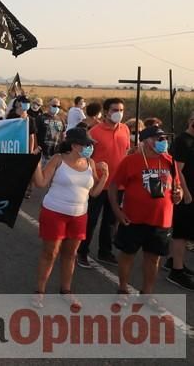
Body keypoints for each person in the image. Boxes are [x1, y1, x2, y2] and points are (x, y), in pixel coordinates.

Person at [31, 128, 109, 308]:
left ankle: (66, 290)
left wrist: (105, 176)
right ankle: (40, 291)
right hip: (54, 212)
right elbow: (41, 183)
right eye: (87, 144)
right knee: (50, 253)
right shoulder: (58, 159)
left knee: (71, 254)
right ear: (74, 145)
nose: (91, 148)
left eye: (91, 145)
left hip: (79, 215)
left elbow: (95, 193)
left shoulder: (90, 163)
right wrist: (35, 163)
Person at [110, 126, 183, 305]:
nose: (163, 142)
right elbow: (113, 186)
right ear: (147, 141)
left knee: (153, 258)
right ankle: (122, 289)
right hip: (133, 218)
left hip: (160, 220)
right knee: (127, 254)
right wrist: (117, 212)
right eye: (159, 139)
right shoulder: (131, 161)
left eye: (164, 138)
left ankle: (147, 293)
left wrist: (178, 195)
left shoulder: (169, 161)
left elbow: (177, 188)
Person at [77, 98, 130, 268]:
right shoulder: (95, 132)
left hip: (118, 184)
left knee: (110, 220)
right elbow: (86, 156)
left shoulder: (125, 129)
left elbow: (126, 152)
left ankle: (105, 251)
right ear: (106, 111)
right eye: (115, 110)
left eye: (121, 110)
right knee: (91, 219)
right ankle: (82, 251)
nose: (118, 113)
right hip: (97, 184)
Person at [164, 111, 194, 290]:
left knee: (187, 230)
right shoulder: (183, 141)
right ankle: (176, 271)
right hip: (185, 194)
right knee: (181, 233)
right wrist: (187, 192)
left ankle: (175, 261)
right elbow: (178, 170)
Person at [36, 97, 66, 165]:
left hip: (56, 154)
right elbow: (34, 134)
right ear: (49, 106)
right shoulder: (40, 118)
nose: (56, 108)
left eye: (58, 106)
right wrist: (36, 147)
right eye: (54, 106)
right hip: (42, 153)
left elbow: (63, 135)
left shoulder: (61, 120)